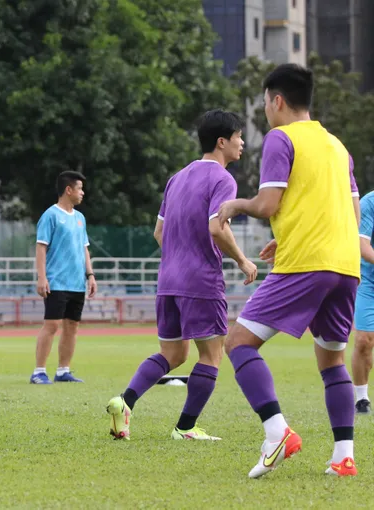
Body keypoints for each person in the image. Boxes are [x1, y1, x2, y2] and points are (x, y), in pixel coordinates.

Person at [217, 64, 361, 478]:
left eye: (264, 103)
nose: (265, 111)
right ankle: (343, 457)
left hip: (307, 264)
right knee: (332, 361)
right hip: (344, 265)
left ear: (277, 100)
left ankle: (276, 430)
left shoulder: (281, 138)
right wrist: (290, 235)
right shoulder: (337, 146)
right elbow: (347, 212)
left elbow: (266, 205)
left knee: (239, 343)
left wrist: (235, 205)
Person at [106, 110, 257, 441]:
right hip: (200, 282)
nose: (242, 143)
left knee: (173, 354)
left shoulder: (178, 177)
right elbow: (217, 227)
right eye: (238, 136)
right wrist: (243, 261)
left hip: (168, 281)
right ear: (222, 142)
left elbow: (159, 232)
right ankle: (185, 428)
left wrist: (179, 255)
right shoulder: (223, 179)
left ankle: (124, 402)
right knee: (212, 355)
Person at [30, 171, 97, 384]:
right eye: (80, 188)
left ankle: (63, 371)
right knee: (51, 325)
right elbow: (41, 248)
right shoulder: (50, 215)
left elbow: (84, 249)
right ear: (68, 190)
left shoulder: (80, 218)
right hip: (57, 281)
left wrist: (90, 275)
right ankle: (39, 371)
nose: (82, 193)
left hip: (77, 283)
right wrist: (42, 277)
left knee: (72, 327)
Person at [351, 190, 374, 414]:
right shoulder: (370, 202)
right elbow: (362, 244)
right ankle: (361, 398)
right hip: (369, 282)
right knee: (364, 340)